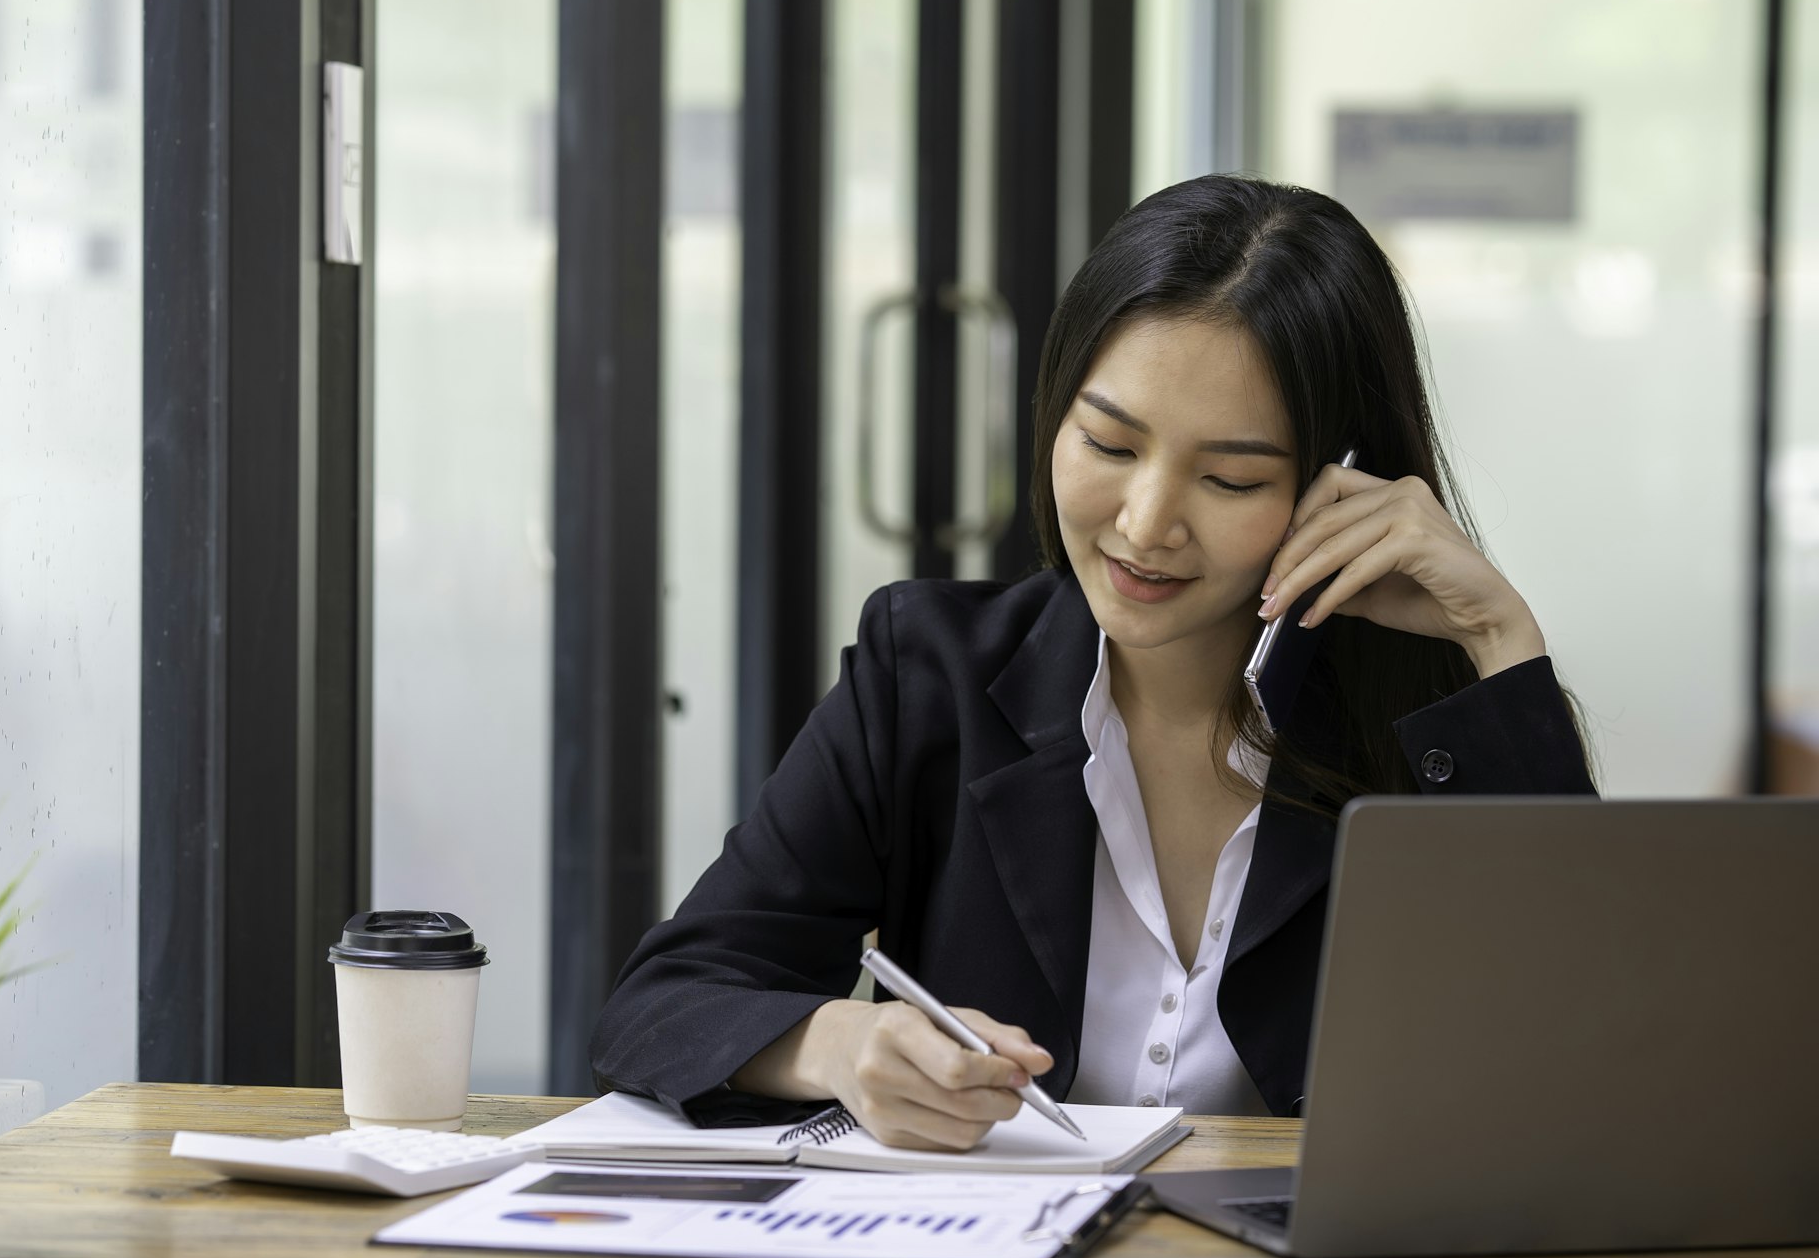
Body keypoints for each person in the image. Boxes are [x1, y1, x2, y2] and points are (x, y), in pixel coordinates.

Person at [592, 174, 1596, 1150]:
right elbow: (662, 1004)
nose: (1145, 523)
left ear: (1341, 484)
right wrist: (841, 1044)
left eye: (1228, 476)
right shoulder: (925, 670)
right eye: (1109, 446)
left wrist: (1499, 642)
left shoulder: (1421, 730)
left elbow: (1588, 1050)